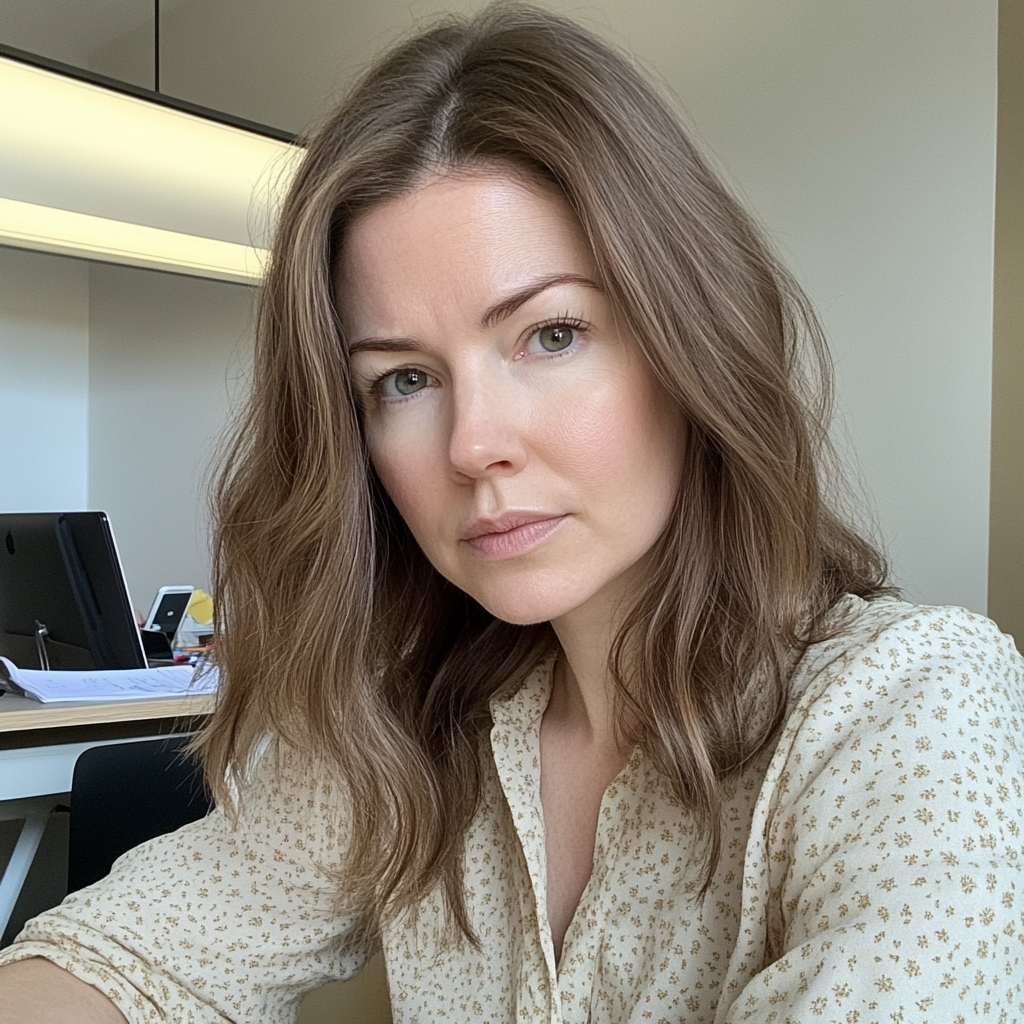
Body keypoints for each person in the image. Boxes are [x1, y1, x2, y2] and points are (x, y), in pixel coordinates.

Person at [1, 5, 1022, 1022]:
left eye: (551, 333)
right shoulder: (413, 725)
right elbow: (126, 957)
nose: (471, 445)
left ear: (689, 341)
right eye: (403, 379)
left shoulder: (911, 706)